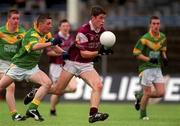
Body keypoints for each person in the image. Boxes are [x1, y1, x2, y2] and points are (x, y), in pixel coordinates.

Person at [24, 6, 112, 123]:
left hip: (86, 65)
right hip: (72, 62)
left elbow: (97, 48)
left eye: (104, 18)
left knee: (98, 86)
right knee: (57, 90)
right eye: (101, 18)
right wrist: (98, 53)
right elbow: (84, 54)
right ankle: (36, 91)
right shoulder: (83, 31)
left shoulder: (103, 32)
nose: (103, 21)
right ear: (93, 18)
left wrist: (104, 48)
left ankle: (93, 114)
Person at [0, 14, 63, 121]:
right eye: (48, 24)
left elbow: (55, 47)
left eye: (51, 24)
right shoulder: (31, 34)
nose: (51, 26)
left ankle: (32, 109)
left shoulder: (46, 34)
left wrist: (65, 54)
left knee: (47, 83)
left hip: (32, 68)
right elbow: (34, 47)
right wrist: (50, 43)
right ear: (40, 24)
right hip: (18, 67)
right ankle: (15, 114)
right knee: (1, 86)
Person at [133, 16, 168, 120]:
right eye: (154, 23)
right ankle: (143, 115)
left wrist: (165, 58)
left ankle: (140, 96)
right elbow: (136, 53)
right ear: (150, 25)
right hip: (146, 68)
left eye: (158, 23)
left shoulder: (163, 37)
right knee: (147, 93)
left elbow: (163, 49)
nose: (156, 26)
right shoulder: (144, 39)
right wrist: (148, 59)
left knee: (161, 93)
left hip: (157, 68)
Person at [47, 19, 77, 116]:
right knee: (57, 91)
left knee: (73, 88)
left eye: (67, 26)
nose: (66, 28)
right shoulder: (55, 38)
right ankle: (52, 110)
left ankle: (52, 91)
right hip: (56, 67)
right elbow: (49, 52)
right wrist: (61, 54)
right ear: (59, 27)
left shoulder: (72, 38)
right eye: (64, 26)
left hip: (68, 66)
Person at [0, 9, 26, 121]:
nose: (16, 21)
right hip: (2, 62)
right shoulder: (1, 31)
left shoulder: (22, 33)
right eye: (13, 18)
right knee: (11, 86)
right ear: (8, 19)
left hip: (14, 64)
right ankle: (14, 115)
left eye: (18, 18)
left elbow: (25, 49)